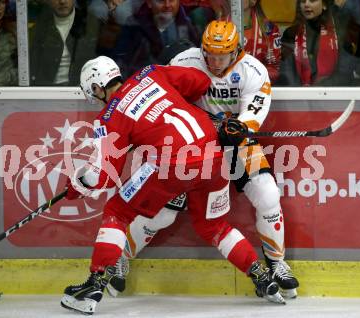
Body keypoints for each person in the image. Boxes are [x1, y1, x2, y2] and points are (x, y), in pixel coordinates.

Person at [60, 56, 285, 315]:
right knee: (214, 226)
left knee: (117, 212)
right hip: (212, 153)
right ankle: (262, 277)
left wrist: (76, 186)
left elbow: (103, 177)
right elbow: (199, 82)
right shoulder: (151, 72)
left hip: (170, 165)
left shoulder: (108, 117)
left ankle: (95, 284)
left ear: (97, 88)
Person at [110, 20, 300, 300]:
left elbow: (251, 116)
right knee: (162, 213)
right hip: (189, 144)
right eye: (209, 54)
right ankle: (120, 258)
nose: (214, 61)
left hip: (234, 143)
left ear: (236, 51)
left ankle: (275, 262)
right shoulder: (185, 61)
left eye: (221, 56)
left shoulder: (253, 71)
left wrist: (240, 127)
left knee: (268, 194)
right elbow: (164, 98)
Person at [278, 0, 360, 86]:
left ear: (324, 5)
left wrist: (324, 86)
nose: (306, 4)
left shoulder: (341, 31)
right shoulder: (291, 33)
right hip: (299, 94)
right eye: (303, 1)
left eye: (312, 0)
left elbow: (346, 69)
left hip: (334, 92)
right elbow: (286, 72)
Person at [112, 0, 200, 76]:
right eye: (161, 0)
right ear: (149, 3)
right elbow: (122, 64)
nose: (167, 5)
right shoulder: (134, 27)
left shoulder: (190, 25)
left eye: (172, 0)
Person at [29, 0, 99, 85]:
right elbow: (32, 66)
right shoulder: (40, 26)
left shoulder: (91, 23)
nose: (62, 1)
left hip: (80, 89)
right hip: (46, 90)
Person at [243, 0, 282, 82]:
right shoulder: (220, 25)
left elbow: (274, 69)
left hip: (259, 88)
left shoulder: (269, 28)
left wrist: (254, 77)